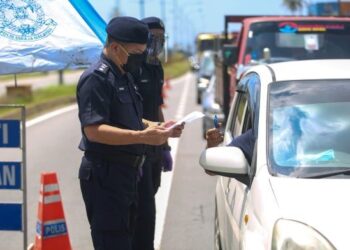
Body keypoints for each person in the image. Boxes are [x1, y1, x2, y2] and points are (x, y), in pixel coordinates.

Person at [76, 16, 183, 250]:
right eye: (136, 53)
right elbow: (94, 130)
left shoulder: (122, 74)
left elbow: (130, 118)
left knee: (136, 240)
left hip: (128, 175)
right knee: (113, 242)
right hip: (106, 176)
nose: (140, 58)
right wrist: (142, 137)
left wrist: (155, 127)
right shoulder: (97, 79)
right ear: (115, 47)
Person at [132, 17, 170, 250]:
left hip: (153, 147)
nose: (157, 43)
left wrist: (165, 142)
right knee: (141, 209)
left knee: (150, 198)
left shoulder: (157, 67)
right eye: (152, 38)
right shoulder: (133, 68)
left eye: (161, 38)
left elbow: (157, 107)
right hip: (136, 147)